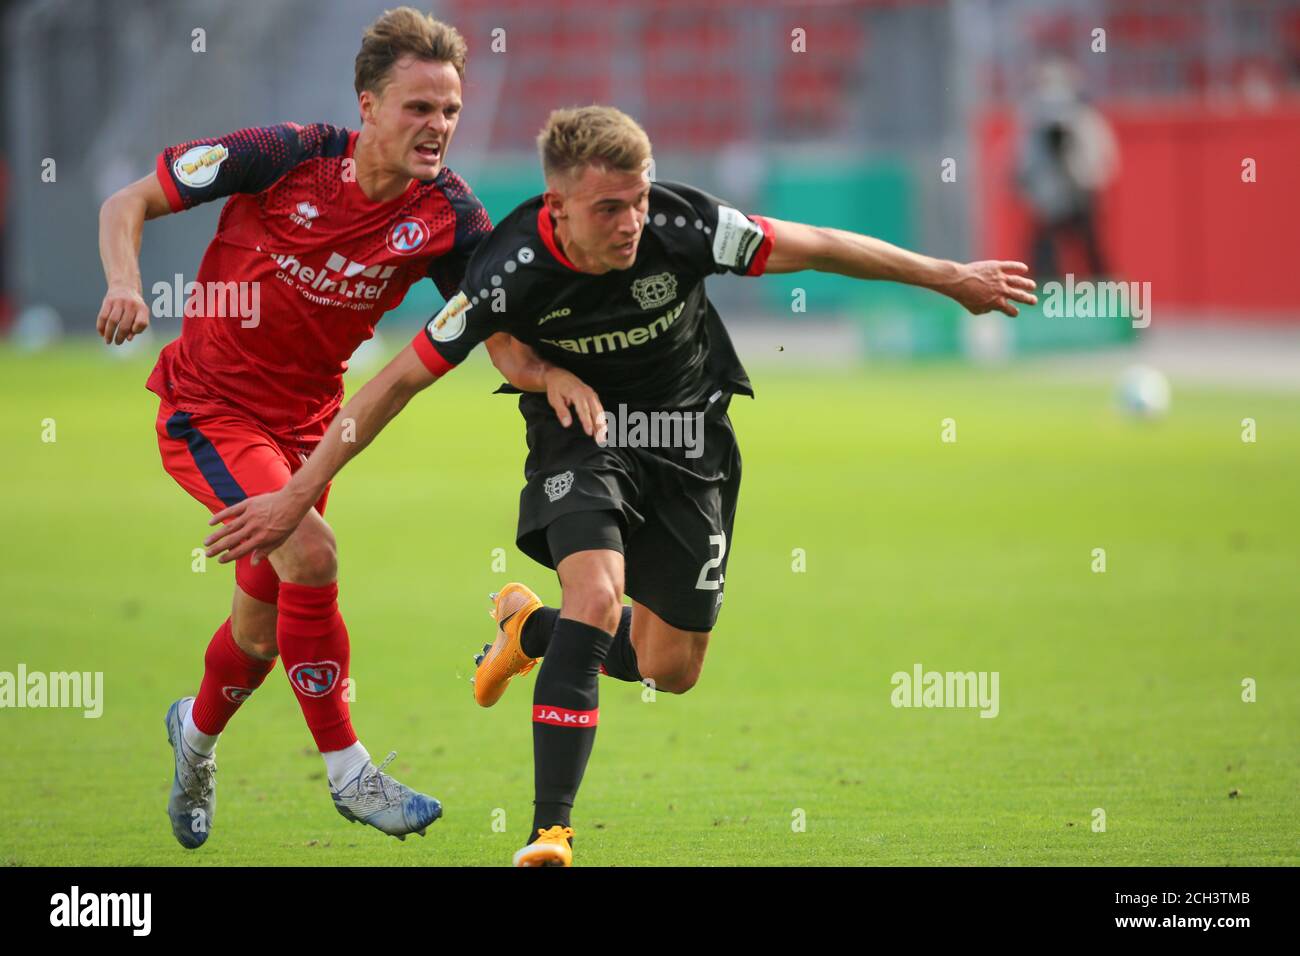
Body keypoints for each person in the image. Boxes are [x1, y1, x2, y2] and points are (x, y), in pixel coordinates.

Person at [203, 105, 1037, 866]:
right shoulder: (505, 270)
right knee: (598, 599)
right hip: (582, 434)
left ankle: (532, 633)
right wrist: (297, 495)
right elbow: (393, 384)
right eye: (610, 207)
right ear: (557, 206)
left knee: (671, 667)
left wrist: (948, 277)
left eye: (637, 199)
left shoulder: (686, 223)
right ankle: (549, 831)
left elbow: (817, 244)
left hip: (688, 437)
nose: (632, 221)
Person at [95, 8, 586, 849]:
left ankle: (195, 740)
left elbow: (500, 340)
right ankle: (350, 771)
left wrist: (554, 372)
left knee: (257, 633)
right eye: (418, 108)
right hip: (210, 409)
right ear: (367, 105)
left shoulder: (448, 215)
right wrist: (125, 284)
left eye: (449, 111)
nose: (438, 127)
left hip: (316, 431)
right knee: (312, 553)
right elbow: (127, 199)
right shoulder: (286, 154)